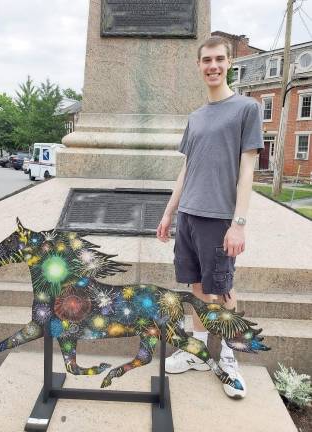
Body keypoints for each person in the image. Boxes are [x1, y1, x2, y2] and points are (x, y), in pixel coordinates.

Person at [156, 36, 264, 399]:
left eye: (219, 59)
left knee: (224, 291)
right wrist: (170, 212)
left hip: (220, 218)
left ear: (229, 62)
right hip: (188, 215)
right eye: (206, 60)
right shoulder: (196, 117)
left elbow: (247, 171)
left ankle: (231, 357)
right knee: (199, 290)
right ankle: (199, 352)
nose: (213, 66)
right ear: (199, 65)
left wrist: (239, 222)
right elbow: (187, 168)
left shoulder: (246, 109)